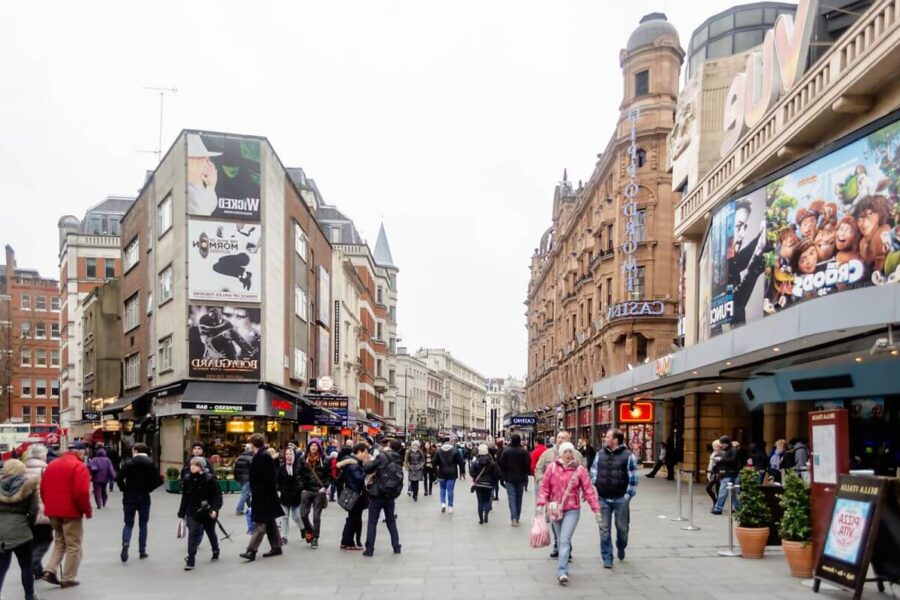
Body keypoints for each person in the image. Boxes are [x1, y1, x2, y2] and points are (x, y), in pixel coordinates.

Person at [538, 442, 600, 586]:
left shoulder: (579, 470)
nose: (568, 454)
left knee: (565, 539)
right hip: (555, 508)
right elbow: (544, 488)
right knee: (560, 540)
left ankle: (562, 571)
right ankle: (563, 565)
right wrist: (541, 505)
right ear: (560, 453)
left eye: (570, 452)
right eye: (565, 452)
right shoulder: (552, 468)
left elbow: (588, 490)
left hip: (572, 508)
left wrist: (596, 510)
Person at [40, 440, 92, 588]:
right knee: (74, 545)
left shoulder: (52, 465)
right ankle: (68, 577)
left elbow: (43, 489)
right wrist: (86, 511)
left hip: (53, 511)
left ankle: (50, 570)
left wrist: (49, 506)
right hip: (71, 512)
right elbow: (81, 492)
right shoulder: (79, 466)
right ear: (81, 452)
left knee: (60, 541)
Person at [590, 429, 638, 569]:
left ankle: (621, 545)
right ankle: (607, 557)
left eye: (608, 436)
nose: (605, 438)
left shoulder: (628, 456)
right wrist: (595, 486)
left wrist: (627, 496)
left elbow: (633, 478)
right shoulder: (600, 454)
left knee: (622, 528)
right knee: (604, 529)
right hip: (603, 498)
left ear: (616, 440)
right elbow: (593, 471)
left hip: (620, 498)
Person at [535, 431, 584, 559]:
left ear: (569, 439)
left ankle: (565, 546)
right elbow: (538, 468)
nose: (560, 439)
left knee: (567, 525)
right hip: (553, 497)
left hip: (570, 497)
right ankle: (558, 545)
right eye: (558, 437)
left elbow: (584, 471)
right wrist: (541, 481)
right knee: (555, 521)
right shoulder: (547, 454)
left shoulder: (576, 455)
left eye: (563, 438)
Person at [0, 459, 41, 600]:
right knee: (26, 566)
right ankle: (30, 595)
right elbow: (34, 510)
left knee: (2, 565)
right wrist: (29, 524)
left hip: (1, 530)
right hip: (21, 530)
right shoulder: (29, 486)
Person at [240, 434, 283, 562]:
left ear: (252, 444)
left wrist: (260, 492)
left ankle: (251, 550)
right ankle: (276, 547)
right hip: (265, 495)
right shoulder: (261, 455)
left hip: (264, 496)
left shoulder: (263, 456)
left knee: (260, 524)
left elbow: (269, 478)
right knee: (270, 523)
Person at [116, 443, 162, 563]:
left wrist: (124, 488)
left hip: (129, 496)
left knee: (128, 523)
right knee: (143, 524)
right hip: (144, 496)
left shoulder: (128, 463)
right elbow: (158, 480)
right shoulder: (151, 463)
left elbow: (118, 478)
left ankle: (126, 542)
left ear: (135, 450)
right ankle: (142, 550)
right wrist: (149, 488)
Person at [178, 457, 222, 571]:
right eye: (191, 465)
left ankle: (215, 549)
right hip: (192, 511)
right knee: (192, 533)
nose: (192, 467)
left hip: (207, 511)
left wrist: (214, 509)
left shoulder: (209, 479)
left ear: (201, 467)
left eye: (196, 465)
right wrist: (181, 513)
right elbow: (185, 497)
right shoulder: (187, 479)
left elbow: (216, 496)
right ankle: (191, 559)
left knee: (210, 532)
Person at [362, 439, 404, 557]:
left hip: (377, 494)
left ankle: (369, 549)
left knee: (372, 522)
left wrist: (367, 461)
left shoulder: (382, 457)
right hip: (390, 494)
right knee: (391, 521)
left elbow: (368, 468)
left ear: (390, 446)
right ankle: (396, 546)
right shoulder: (398, 458)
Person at [23, 444, 51, 580]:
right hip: (42, 509)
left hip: (25, 511)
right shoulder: (45, 469)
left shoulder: (22, 469)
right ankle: (33, 563)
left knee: (34, 540)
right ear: (42, 455)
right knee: (46, 539)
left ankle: (37, 570)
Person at [297, 439, 330, 549]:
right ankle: (309, 531)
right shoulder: (303, 459)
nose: (313, 447)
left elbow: (329, 475)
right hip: (306, 490)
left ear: (319, 447)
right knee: (303, 515)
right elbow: (298, 474)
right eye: (312, 445)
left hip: (318, 491)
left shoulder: (324, 459)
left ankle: (315, 538)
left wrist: (324, 487)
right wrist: (302, 488)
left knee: (316, 516)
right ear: (309, 447)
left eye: (316, 445)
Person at [337, 443, 369, 551]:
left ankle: (346, 542)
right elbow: (359, 478)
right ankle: (348, 542)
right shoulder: (354, 465)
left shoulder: (352, 462)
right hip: (354, 495)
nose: (366, 455)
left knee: (352, 518)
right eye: (365, 452)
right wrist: (365, 469)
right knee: (353, 519)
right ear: (359, 452)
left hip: (353, 494)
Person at [498, 433, 530, 526]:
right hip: (520, 478)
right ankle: (517, 516)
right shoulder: (524, 452)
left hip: (509, 478)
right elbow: (527, 464)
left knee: (512, 498)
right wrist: (525, 474)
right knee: (519, 498)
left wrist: (502, 477)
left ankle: (514, 518)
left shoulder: (506, 451)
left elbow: (501, 464)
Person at [276, 446, 303, 544]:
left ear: (294, 455)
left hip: (296, 496)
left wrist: (300, 489)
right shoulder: (281, 467)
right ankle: (284, 536)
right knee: (284, 517)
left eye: (290, 454)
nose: (288, 456)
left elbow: (302, 480)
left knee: (296, 517)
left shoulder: (299, 466)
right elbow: (278, 481)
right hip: (285, 496)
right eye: (286, 454)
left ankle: (302, 528)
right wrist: (281, 489)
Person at [432, 437, 465, 514]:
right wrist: (462, 471)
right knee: (450, 490)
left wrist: (436, 472)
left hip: (441, 473)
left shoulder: (439, 451)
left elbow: (433, 461)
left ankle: (443, 503)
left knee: (442, 489)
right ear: (450, 442)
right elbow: (461, 462)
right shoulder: (455, 450)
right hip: (452, 473)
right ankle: (450, 506)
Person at [470, 444, 501, 525]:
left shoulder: (476, 461)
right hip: (489, 484)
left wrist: (475, 476)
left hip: (479, 484)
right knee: (487, 500)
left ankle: (480, 519)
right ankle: (486, 514)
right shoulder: (491, 462)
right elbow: (497, 473)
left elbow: (471, 472)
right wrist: (493, 480)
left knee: (480, 502)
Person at [712, 436, 741, 515]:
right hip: (726, 473)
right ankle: (736, 507)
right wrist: (716, 462)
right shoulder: (723, 451)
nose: (721, 445)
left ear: (726, 443)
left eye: (722, 443)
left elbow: (733, 460)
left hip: (731, 473)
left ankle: (718, 508)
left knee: (727, 491)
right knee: (729, 491)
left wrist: (721, 459)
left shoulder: (733, 450)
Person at [233, 444, 254, 515]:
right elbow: (253, 470)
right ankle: (239, 509)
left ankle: (251, 507)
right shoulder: (252, 458)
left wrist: (235, 478)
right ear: (250, 449)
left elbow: (235, 469)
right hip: (247, 478)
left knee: (246, 493)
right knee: (245, 494)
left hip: (240, 478)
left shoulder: (239, 457)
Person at [705, 440, 722, 504]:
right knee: (708, 488)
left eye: (716, 447)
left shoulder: (722, 454)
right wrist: (708, 475)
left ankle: (718, 505)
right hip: (713, 473)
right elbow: (710, 465)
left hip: (719, 474)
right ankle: (715, 501)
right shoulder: (713, 454)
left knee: (718, 490)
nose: (715, 448)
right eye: (714, 447)